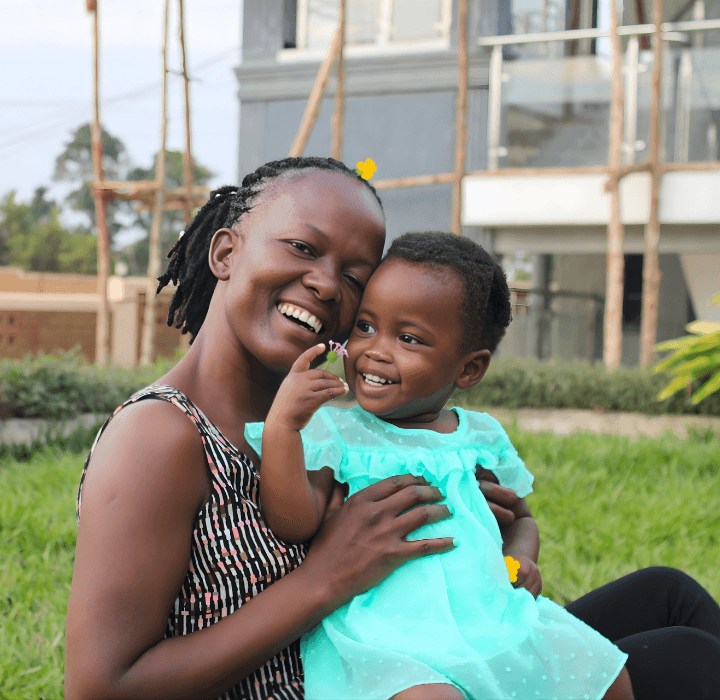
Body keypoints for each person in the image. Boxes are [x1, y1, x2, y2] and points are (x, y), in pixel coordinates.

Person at [65, 156, 720, 700]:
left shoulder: (336, 417)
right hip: (363, 684)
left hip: (430, 649)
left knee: (668, 597)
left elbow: (497, 521)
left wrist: (483, 531)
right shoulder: (162, 435)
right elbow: (99, 688)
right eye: (302, 248)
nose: (325, 284)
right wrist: (324, 578)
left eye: (355, 277)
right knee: (688, 662)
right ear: (226, 251)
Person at [244, 232, 633, 700]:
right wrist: (282, 428)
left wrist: (522, 556)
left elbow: (520, 517)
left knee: (607, 675)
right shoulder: (338, 432)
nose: (376, 349)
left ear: (468, 370)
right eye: (365, 327)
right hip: (385, 635)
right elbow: (293, 522)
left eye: (408, 338)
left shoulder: (480, 439)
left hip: (486, 618)